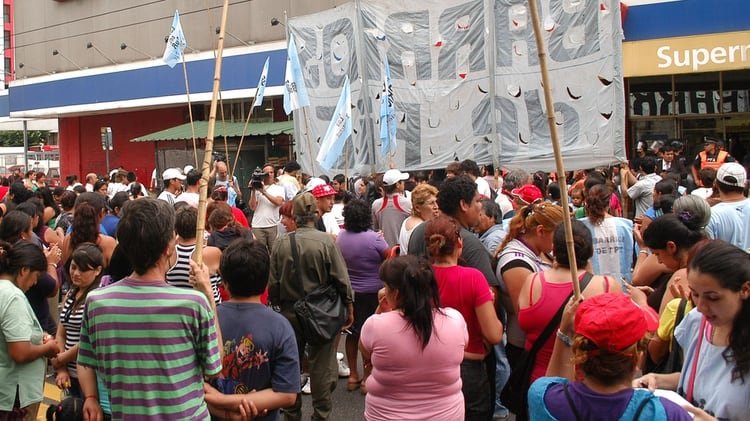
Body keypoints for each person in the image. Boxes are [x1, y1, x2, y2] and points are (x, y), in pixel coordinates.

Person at [76, 198, 223, 420]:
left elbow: (85, 360)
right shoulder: (194, 304)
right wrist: (208, 295)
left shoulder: (97, 302)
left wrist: (90, 398)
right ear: (168, 248)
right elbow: (215, 366)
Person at [633, 240, 750, 420]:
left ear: (745, 290)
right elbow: (702, 381)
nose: (701, 306)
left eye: (713, 297)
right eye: (695, 294)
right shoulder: (696, 322)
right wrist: (658, 379)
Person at [532, 294, 690, 420]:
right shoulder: (667, 413)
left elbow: (552, 384)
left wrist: (565, 332)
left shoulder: (543, 397)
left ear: (581, 353)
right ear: (638, 358)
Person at [268, 192, 354, 421]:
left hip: (289, 313)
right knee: (322, 367)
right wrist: (348, 306)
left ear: (294, 216)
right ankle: (321, 414)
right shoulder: (326, 241)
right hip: (322, 312)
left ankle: (291, 413)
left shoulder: (280, 244)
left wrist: (277, 306)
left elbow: (273, 284)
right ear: (314, 214)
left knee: (290, 365)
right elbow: (341, 279)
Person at [359, 255, 467, 421]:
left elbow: (365, 351)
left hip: (386, 415)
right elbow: (463, 345)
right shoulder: (455, 319)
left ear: (395, 293)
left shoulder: (376, 325)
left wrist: (380, 311)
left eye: (386, 287)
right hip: (447, 414)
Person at [205, 238, 299, 421]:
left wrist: (222, 401)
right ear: (266, 282)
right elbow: (287, 393)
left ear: (225, 282)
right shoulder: (280, 326)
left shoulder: (208, 318)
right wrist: (250, 401)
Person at [518, 220, 621, 383]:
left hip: (539, 382)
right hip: (590, 384)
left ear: (554, 250)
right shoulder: (607, 286)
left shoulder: (532, 282)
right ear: (591, 251)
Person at [426, 215, 503, 420]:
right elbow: (494, 334)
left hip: (426, 365)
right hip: (467, 367)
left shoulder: (419, 277)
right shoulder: (473, 278)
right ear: (459, 243)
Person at [495, 202, 565, 360]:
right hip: (526, 349)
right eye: (559, 235)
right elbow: (527, 318)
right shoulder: (515, 263)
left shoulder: (543, 251)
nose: (562, 241)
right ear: (541, 231)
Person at [0, 240, 59, 420]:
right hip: (12, 392)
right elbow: (20, 352)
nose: (34, 283)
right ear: (24, 270)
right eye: (36, 276)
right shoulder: (13, 296)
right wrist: (47, 349)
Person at [336, 199, 389, 394]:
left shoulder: (341, 237)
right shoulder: (374, 239)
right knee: (372, 337)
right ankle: (368, 377)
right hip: (373, 293)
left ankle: (353, 375)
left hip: (351, 293)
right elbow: (389, 257)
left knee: (352, 334)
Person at [51, 243, 103, 399]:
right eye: (73, 267)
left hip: (89, 376)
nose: (76, 273)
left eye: (83, 269)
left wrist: (61, 359)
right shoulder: (71, 294)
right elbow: (61, 333)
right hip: (68, 374)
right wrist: (61, 369)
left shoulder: (97, 298)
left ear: (98, 270)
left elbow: (88, 340)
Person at [579, 183, 634, 283]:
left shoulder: (580, 227)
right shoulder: (625, 225)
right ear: (609, 203)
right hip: (623, 286)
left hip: (590, 287)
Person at [705, 162, 750, 251]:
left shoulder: (711, 215)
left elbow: (708, 253)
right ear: (745, 184)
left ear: (716, 183)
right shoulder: (712, 214)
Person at [371, 169, 412, 247]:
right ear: (397, 185)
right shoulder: (408, 203)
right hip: (404, 249)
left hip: (384, 250)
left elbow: (375, 228)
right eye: (402, 181)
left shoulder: (376, 204)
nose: (404, 183)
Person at [249, 164, 284, 252]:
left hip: (272, 224)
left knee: (274, 251)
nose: (269, 175)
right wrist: (253, 190)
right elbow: (252, 207)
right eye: (266, 173)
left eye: (271, 172)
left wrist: (264, 192)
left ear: (274, 174)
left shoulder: (279, 188)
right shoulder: (257, 187)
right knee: (259, 252)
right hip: (258, 225)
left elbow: (278, 202)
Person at [398, 183, 438, 255]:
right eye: (431, 203)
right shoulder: (421, 228)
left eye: (436, 202)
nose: (436, 207)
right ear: (417, 207)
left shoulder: (407, 221)